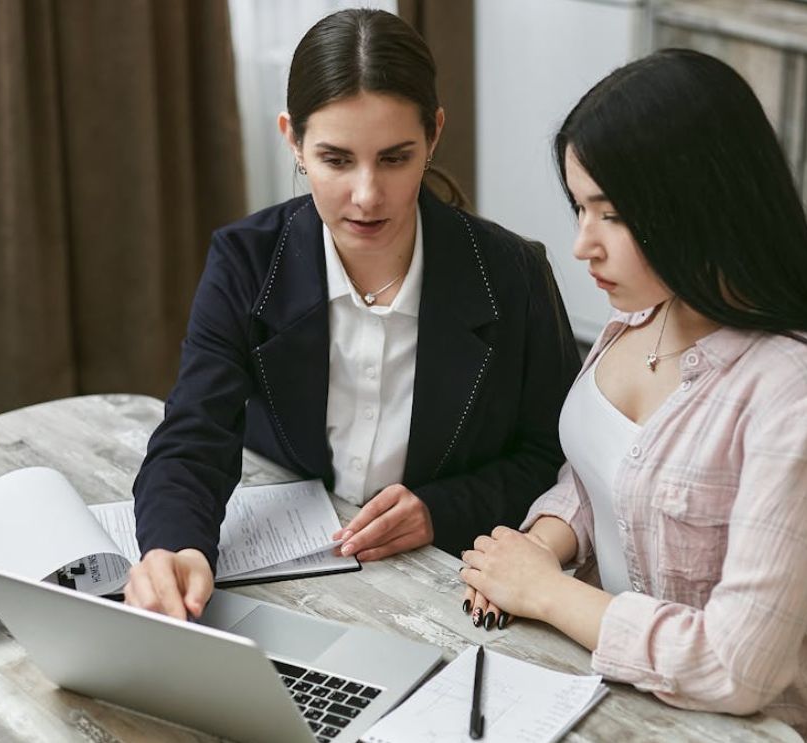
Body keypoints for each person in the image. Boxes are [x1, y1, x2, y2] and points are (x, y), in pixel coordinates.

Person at [458, 49, 807, 741]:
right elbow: (602, 474)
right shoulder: (642, 311)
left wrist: (547, 591)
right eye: (579, 208)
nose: (581, 246)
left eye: (613, 215)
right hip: (618, 688)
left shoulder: (794, 387)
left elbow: (735, 667)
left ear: (700, 203)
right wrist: (541, 543)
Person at [126, 9, 579, 621]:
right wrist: (174, 546)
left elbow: (550, 458)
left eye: (395, 158)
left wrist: (440, 509)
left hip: (449, 588)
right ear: (293, 140)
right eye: (337, 160)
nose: (367, 195)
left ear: (435, 135)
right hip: (291, 584)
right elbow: (194, 435)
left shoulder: (512, 274)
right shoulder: (246, 261)